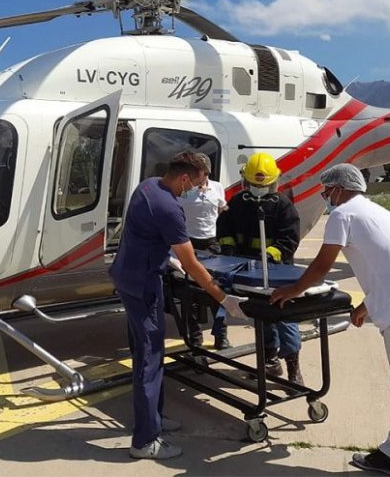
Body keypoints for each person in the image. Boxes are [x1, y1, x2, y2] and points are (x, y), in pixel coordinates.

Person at [269, 163, 390, 477]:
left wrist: (294, 290)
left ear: (339, 189)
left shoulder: (343, 214)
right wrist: (367, 305)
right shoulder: (376, 212)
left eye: (326, 191)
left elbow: (322, 264)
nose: (324, 196)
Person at [109, 151, 248, 460]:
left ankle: (153, 420)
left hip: (128, 277)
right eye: (198, 182)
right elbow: (192, 263)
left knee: (145, 355)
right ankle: (145, 441)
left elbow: (145, 234)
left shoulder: (147, 186)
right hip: (143, 285)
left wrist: (163, 256)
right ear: (185, 177)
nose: (198, 188)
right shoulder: (168, 206)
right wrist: (223, 298)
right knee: (149, 358)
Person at [216, 153, 303, 383]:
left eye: (261, 186)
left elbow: (289, 240)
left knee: (285, 319)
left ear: (274, 182)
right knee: (261, 317)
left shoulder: (283, 206)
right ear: (245, 181)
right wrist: (228, 248)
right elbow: (224, 227)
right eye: (254, 185)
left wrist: (270, 255)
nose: (257, 190)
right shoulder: (237, 202)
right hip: (247, 272)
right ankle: (270, 362)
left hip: (278, 274)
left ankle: (294, 368)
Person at [177, 152, 229, 349]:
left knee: (217, 290)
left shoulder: (216, 187)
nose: (202, 177)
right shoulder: (184, 189)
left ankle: (221, 335)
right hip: (190, 243)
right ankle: (195, 337)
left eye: (205, 173)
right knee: (190, 294)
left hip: (212, 244)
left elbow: (223, 208)